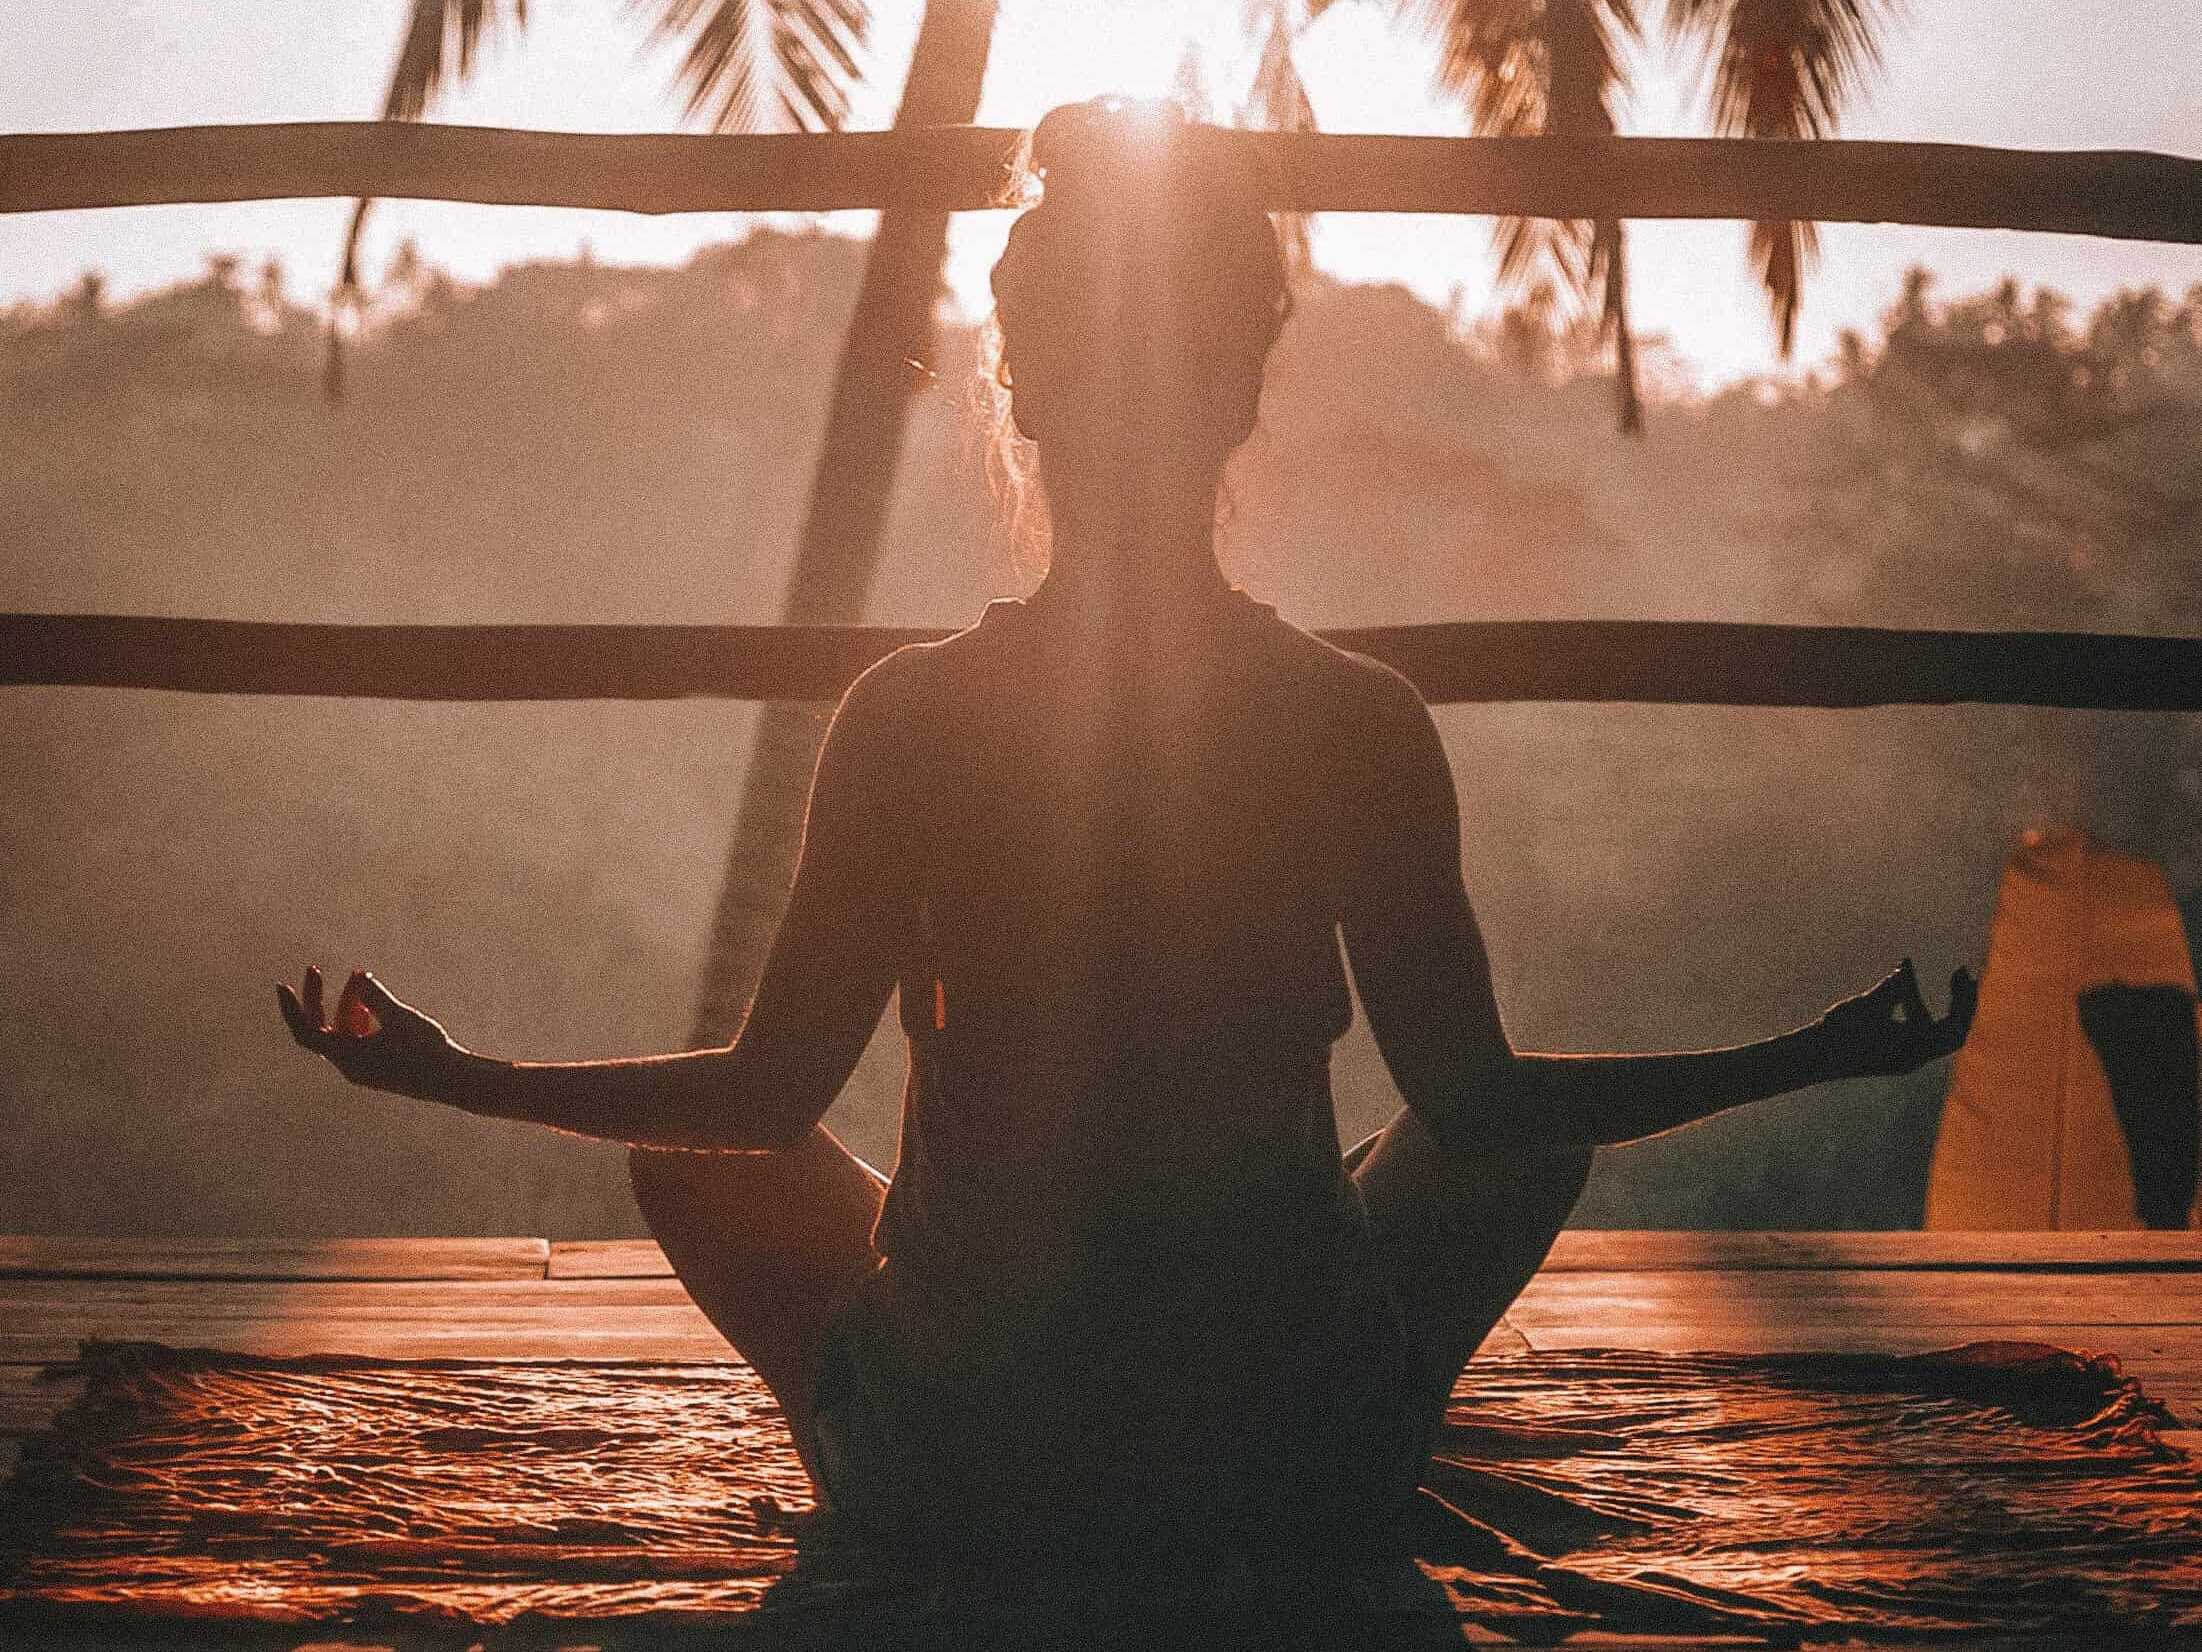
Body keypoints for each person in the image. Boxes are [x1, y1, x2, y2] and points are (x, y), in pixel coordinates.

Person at [280, 98, 1975, 1565]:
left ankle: (890, 1467)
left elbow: (764, 1099)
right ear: (1240, 396)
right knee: (1515, 1139)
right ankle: (1352, 1439)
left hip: (972, 1469)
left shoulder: (911, 716)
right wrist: (1810, 1054)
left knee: (700, 1161)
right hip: (1284, 1460)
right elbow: (1478, 1105)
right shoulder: (1351, 717)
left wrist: (458, 1075)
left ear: (1021, 394)